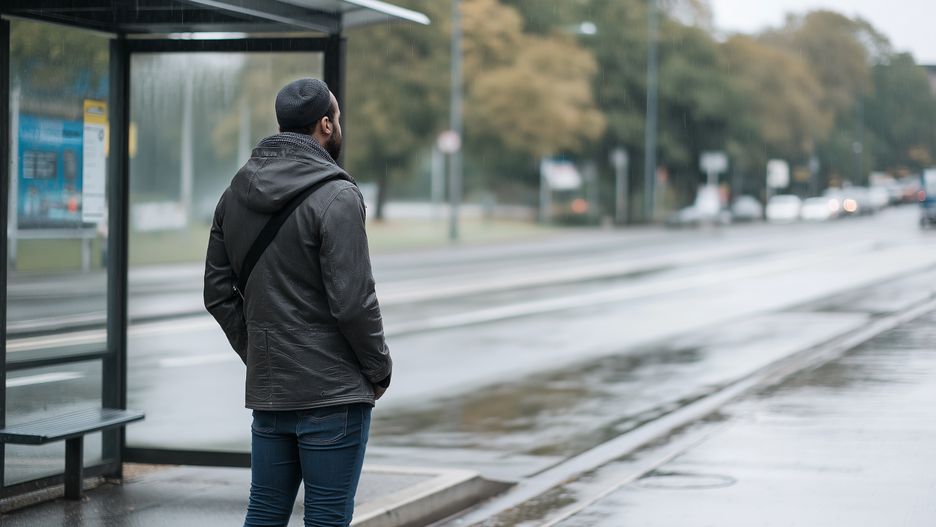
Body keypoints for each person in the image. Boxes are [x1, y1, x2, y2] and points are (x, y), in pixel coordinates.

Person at [204, 78, 392, 527]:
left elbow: (217, 292)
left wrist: (259, 352)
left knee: (265, 513)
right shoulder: (337, 195)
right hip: (333, 395)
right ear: (325, 125)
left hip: (272, 391)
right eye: (338, 118)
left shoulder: (235, 194)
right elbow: (353, 302)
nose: (339, 125)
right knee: (326, 517)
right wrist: (379, 368)